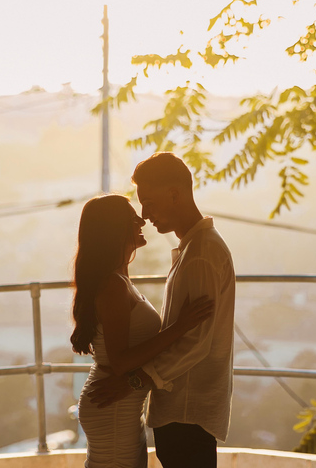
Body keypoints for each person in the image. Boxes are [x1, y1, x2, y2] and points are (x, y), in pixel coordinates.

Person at [89, 152, 236, 468]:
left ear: (175, 194)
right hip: (181, 409)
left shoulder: (201, 253)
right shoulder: (193, 250)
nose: (144, 215)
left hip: (187, 409)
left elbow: (196, 342)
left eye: (149, 202)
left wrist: (134, 381)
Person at [71, 194, 213, 468]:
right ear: (114, 228)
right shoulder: (113, 285)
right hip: (113, 403)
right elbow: (120, 361)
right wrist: (180, 327)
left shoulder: (119, 280)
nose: (141, 220)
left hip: (118, 402)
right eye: (131, 216)